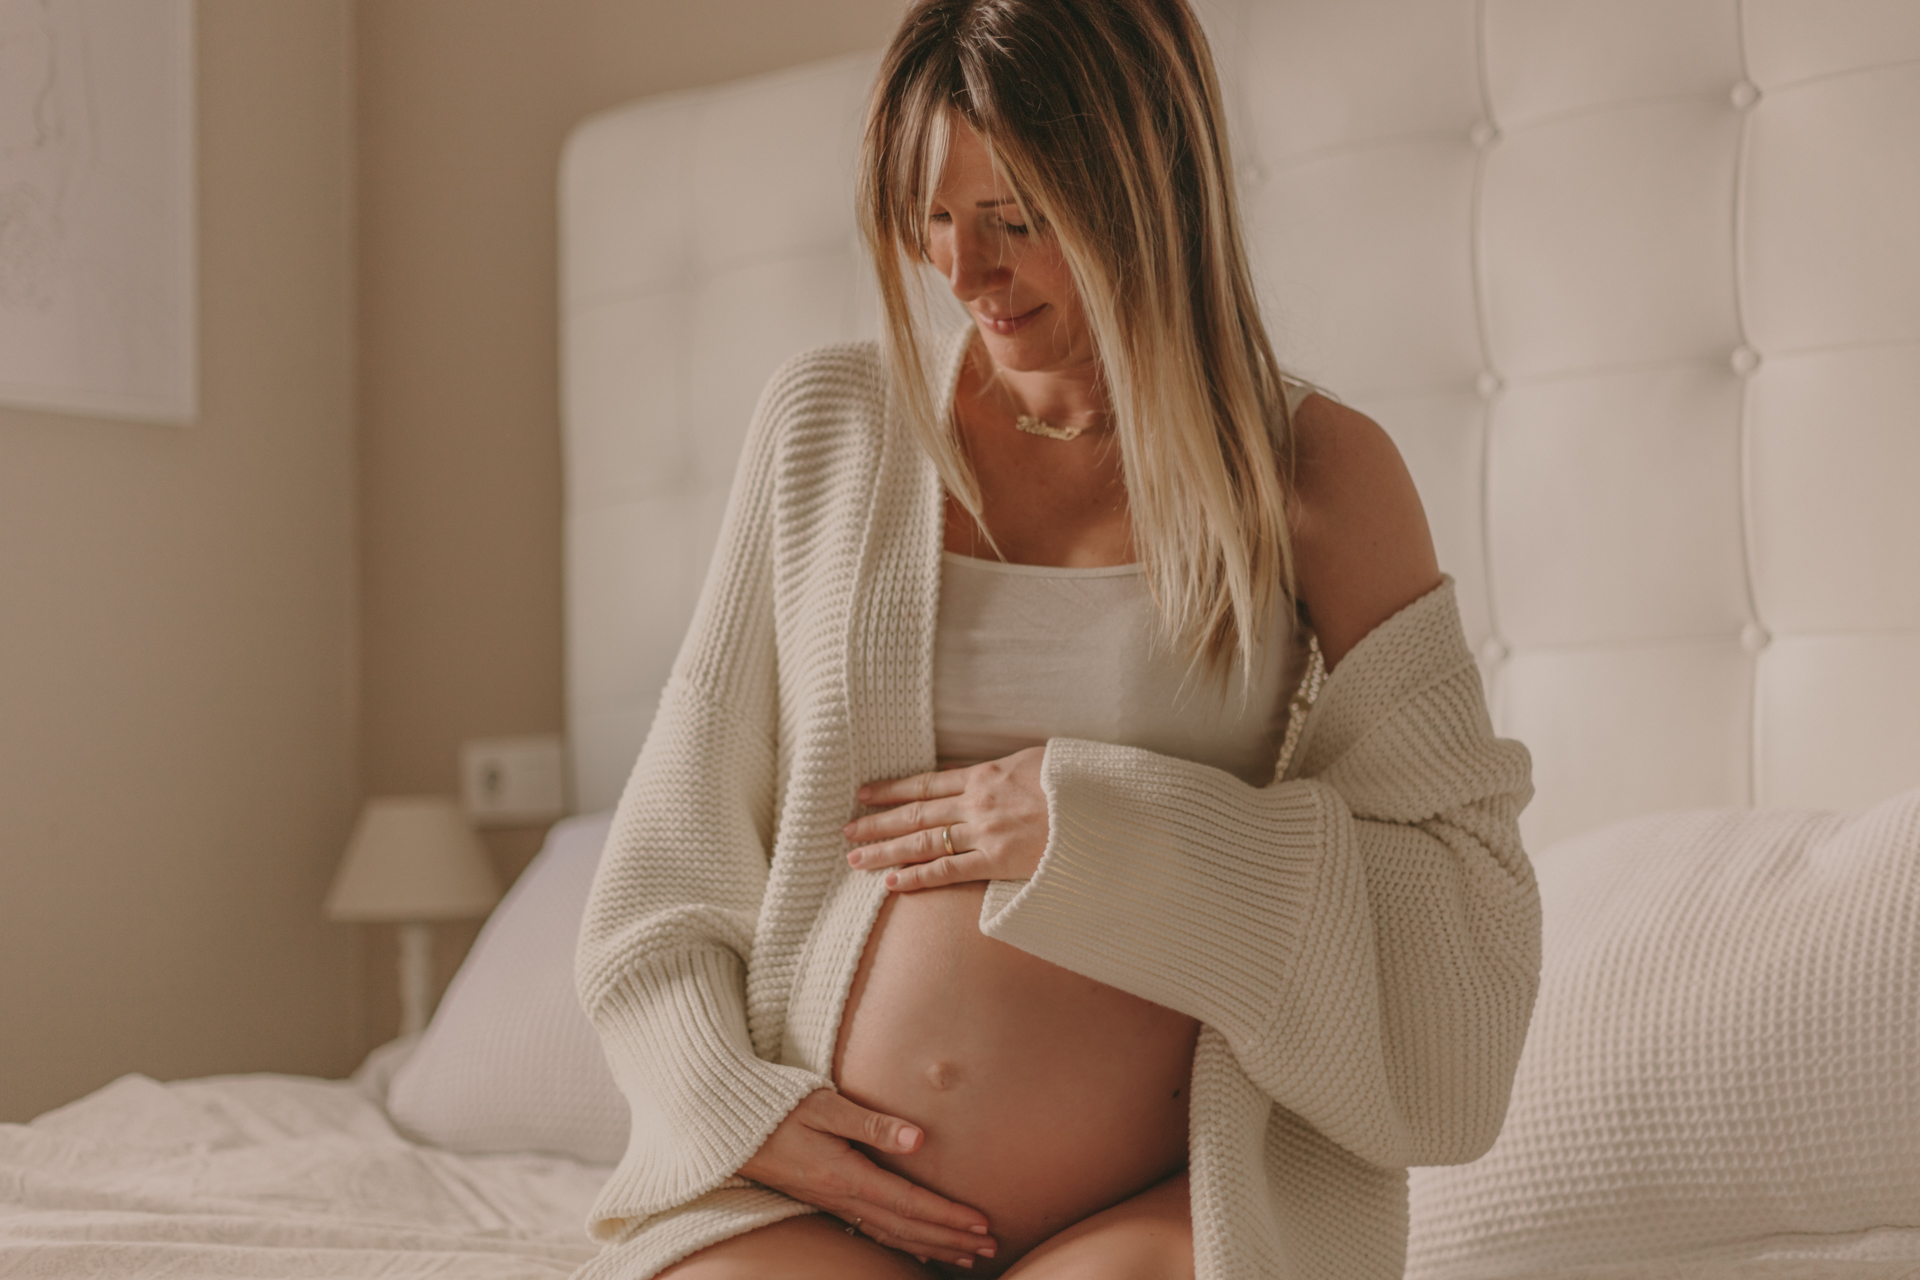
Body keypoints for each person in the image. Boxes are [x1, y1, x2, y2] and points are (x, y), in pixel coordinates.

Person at [572, 1, 1541, 1277]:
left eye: (1016, 219)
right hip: (822, 1205)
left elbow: (1464, 944)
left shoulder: (1313, 476)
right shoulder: (831, 429)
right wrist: (743, 1115)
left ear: (1149, 185)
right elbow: (662, 883)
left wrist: (1099, 822)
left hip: (1159, 1208)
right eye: (928, 216)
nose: (963, 272)